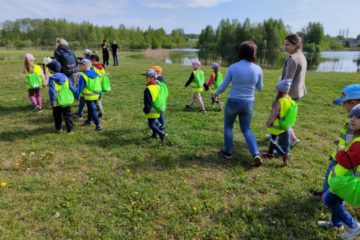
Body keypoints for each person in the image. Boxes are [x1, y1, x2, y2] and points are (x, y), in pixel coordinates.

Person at [214, 41, 263, 166]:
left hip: (233, 101)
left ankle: (228, 152)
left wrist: (215, 93)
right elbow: (260, 87)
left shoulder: (233, 67)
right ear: (253, 53)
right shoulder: (258, 69)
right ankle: (256, 153)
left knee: (228, 127)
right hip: (248, 103)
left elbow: (224, 86)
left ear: (241, 52)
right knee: (246, 129)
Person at [318, 104, 360, 240]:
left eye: (358, 117)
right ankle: (337, 224)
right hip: (346, 180)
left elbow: (348, 162)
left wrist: (340, 150)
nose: (353, 119)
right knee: (336, 201)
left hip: (347, 181)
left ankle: (354, 226)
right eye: (351, 116)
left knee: (329, 199)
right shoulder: (356, 136)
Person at [311, 84, 360, 198]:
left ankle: (330, 197)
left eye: (344, 103)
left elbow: (355, 145)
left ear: (352, 103)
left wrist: (343, 150)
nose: (343, 106)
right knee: (331, 174)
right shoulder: (354, 119)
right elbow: (351, 138)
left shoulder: (356, 122)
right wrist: (341, 140)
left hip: (345, 159)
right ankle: (326, 193)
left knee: (335, 177)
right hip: (341, 155)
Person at [280, 33, 307, 147]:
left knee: (284, 118)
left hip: (290, 93)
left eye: (288, 44)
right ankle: (277, 135)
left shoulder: (293, 59)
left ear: (296, 44)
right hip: (298, 92)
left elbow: (287, 81)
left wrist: (282, 94)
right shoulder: (301, 55)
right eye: (285, 44)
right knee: (288, 117)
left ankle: (291, 139)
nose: (285, 47)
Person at [262, 79, 296, 166]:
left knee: (272, 140)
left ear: (279, 90)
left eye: (276, 88)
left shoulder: (279, 102)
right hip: (284, 124)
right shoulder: (289, 100)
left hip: (276, 124)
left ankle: (284, 154)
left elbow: (273, 114)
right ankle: (270, 154)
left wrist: (269, 122)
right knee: (273, 138)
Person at [46, 60, 75, 133]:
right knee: (68, 116)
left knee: (57, 116)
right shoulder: (65, 76)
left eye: (49, 68)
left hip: (57, 101)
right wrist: (76, 94)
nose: (48, 70)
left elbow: (52, 92)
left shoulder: (51, 78)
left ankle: (58, 129)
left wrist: (52, 102)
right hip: (67, 99)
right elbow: (71, 86)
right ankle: (70, 130)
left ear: (51, 70)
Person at [75, 59, 102, 131]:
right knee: (90, 109)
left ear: (85, 66)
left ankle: (98, 125)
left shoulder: (83, 75)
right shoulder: (95, 74)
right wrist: (100, 93)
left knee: (92, 110)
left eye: (81, 65)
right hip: (96, 94)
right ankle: (89, 121)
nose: (79, 66)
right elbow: (99, 84)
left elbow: (80, 87)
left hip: (88, 96)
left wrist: (76, 95)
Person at [142, 69, 167, 142]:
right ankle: (154, 135)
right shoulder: (158, 86)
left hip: (151, 110)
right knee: (153, 122)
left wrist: (146, 110)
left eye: (147, 77)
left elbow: (148, 102)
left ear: (152, 78)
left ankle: (162, 135)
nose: (146, 78)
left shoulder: (148, 89)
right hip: (158, 109)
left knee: (151, 124)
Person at [152, 65, 167, 130]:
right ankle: (161, 124)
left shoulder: (159, 81)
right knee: (160, 112)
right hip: (161, 99)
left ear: (157, 73)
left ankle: (160, 124)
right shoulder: (160, 79)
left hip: (158, 100)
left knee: (158, 113)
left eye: (153, 73)